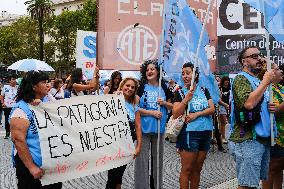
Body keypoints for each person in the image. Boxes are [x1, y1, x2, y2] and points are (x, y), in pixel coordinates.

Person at [229, 46, 276, 189]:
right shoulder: (241, 78)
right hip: (249, 138)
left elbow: (275, 70)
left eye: (260, 55)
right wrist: (265, 82)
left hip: (261, 138)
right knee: (247, 185)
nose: (260, 58)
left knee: (253, 183)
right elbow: (249, 103)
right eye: (254, 56)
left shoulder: (257, 80)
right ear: (244, 62)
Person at [9, 71, 62, 189]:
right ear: (33, 86)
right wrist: (32, 167)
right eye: (44, 82)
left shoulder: (48, 102)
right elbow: (18, 140)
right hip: (32, 169)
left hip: (51, 165)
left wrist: (42, 104)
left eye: (48, 81)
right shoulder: (20, 110)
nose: (48, 85)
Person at [172, 62, 215, 189]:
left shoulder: (203, 90)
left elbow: (212, 109)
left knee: (197, 169)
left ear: (195, 74)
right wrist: (186, 99)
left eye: (188, 73)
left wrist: (197, 114)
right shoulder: (179, 92)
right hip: (190, 133)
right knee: (187, 169)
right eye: (183, 74)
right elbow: (175, 113)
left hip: (206, 132)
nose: (185, 76)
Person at [135, 59, 173, 189]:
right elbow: (134, 108)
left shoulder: (164, 87)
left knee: (158, 163)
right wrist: (151, 113)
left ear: (158, 72)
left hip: (159, 130)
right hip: (143, 130)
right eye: (147, 70)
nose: (149, 71)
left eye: (152, 69)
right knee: (142, 162)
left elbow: (172, 107)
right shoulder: (141, 87)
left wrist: (164, 103)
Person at [105, 77, 142, 189]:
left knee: (119, 175)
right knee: (113, 176)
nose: (130, 88)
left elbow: (138, 126)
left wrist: (139, 146)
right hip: (114, 143)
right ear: (122, 86)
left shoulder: (134, 106)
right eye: (127, 85)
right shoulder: (113, 99)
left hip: (128, 144)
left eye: (132, 87)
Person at [262, 64, 284, 189]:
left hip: (282, 134)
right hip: (275, 135)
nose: (280, 71)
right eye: (276, 69)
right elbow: (273, 110)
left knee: (279, 168)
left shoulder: (280, 87)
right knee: (271, 168)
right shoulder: (266, 90)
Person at [0, 75, 18, 139]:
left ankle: (15, 133)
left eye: (15, 79)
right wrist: (2, 103)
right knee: (7, 120)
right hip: (7, 107)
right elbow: (1, 96)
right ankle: (7, 133)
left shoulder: (18, 88)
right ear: (9, 80)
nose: (14, 80)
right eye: (13, 79)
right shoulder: (5, 87)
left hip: (15, 107)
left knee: (15, 120)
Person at [218, 76, 230, 143]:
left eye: (227, 82)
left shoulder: (230, 89)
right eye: (225, 82)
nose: (226, 83)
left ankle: (221, 137)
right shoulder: (220, 89)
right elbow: (218, 100)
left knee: (224, 123)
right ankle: (222, 137)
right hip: (222, 106)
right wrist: (225, 105)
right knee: (223, 122)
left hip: (228, 107)